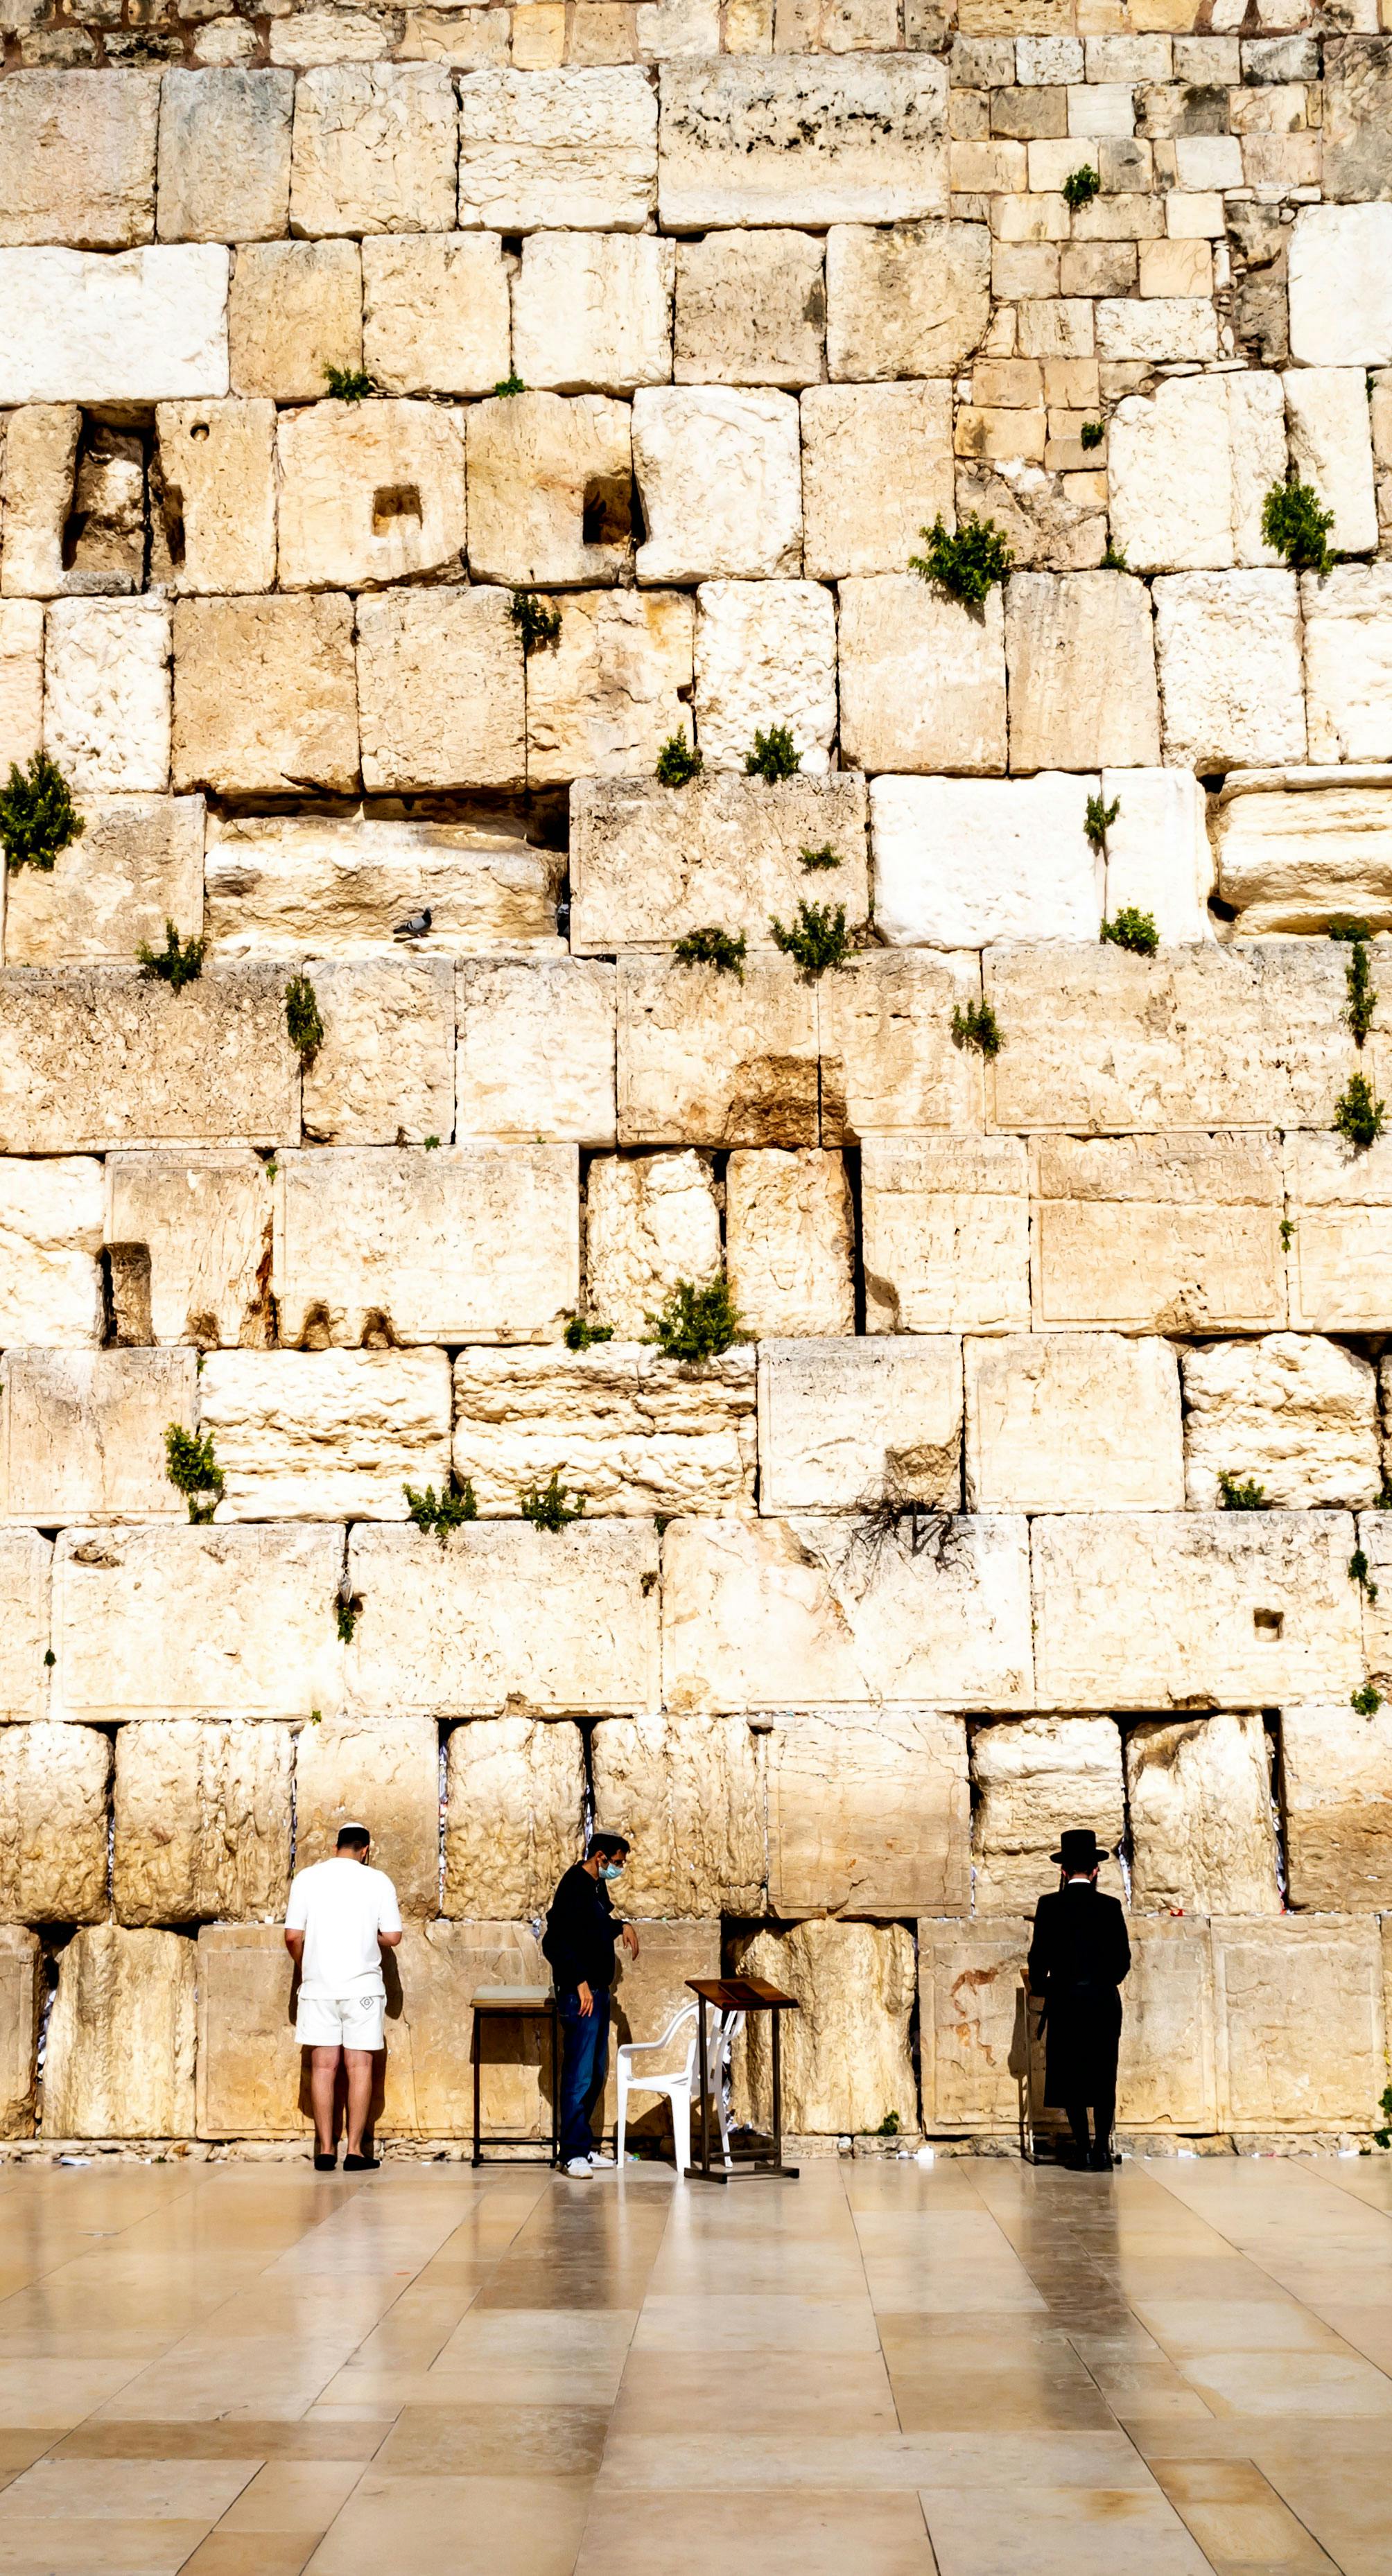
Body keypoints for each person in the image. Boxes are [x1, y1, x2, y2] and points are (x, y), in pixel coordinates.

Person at [285, 1823, 403, 2173]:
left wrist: (305, 1965)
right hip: (362, 1989)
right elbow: (393, 1936)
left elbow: (292, 1936)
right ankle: (354, 2151)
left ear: (335, 1846)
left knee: (323, 2067)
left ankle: (325, 2150)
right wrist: (367, 1938)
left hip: (318, 1987)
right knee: (359, 2067)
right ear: (366, 1850)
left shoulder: (307, 1878)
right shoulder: (378, 1880)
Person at [1027, 1826, 1131, 2172]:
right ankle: (1102, 2151)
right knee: (1103, 2074)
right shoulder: (1110, 1906)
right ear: (1096, 1871)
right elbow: (1122, 1961)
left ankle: (1083, 2150)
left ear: (1063, 1870)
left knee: (1071, 2075)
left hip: (1066, 2002)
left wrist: (1045, 1987)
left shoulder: (1049, 1905)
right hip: (1102, 2003)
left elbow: (1038, 1958)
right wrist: (1100, 1984)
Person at [543, 1832, 639, 2178]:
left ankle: (583, 2146)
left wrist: (621, 1926)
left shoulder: (597, 1887)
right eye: (617, 1862)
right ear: (600, 1857)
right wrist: (578, 1981)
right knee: (579, 2073)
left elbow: (593, 1927)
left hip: (598, 1992)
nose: (619, 1868)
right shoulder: (574, 1885)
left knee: (596, 2071)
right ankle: (571, 2154)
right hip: (580, 1994)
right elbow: (555, 1941)